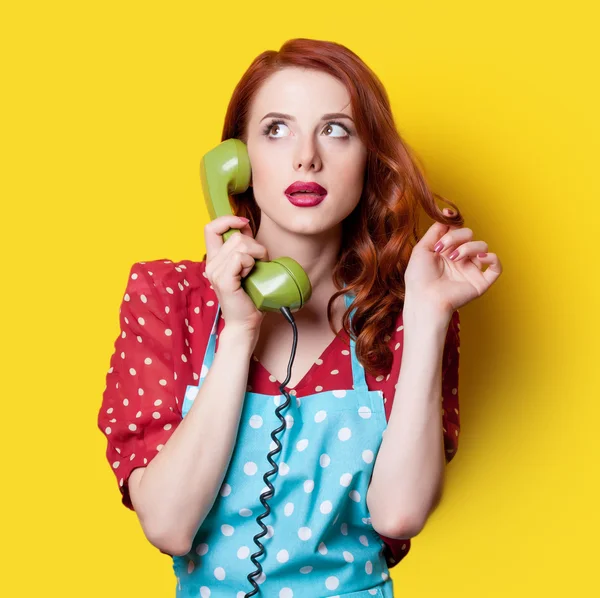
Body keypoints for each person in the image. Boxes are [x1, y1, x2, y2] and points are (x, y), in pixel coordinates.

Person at [98, 38, 502, 598]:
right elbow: (167, 525)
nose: (306, 157)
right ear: (235, 164)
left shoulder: (407, 309)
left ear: (370, 159)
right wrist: (240, 329)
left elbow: (399, 516)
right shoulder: (168, 298)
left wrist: (429, 315)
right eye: (276, 129)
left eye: (336, 129)